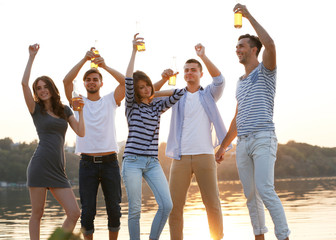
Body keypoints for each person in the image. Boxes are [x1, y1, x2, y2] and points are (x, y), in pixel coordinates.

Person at [215, 4, 291, 240]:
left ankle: (284, 236)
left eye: (242, 45)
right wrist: (224, 145)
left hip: (263, 138)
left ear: (254, 50)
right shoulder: (240, 81)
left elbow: (271, 45)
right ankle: (259, 237)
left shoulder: (266, 70)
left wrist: (247, 16)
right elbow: (238, 117)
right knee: (251, 196)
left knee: (266, 191)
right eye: (236, 46)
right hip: (243, 144)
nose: (237, 49)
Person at [157, 43, 229, 240]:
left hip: (205, 155)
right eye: (186, 70)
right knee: (174, 206)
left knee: (212, 203)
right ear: (183, 74)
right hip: (179, 157)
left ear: (200, 74)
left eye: (193, 70)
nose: (189, 73)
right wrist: (163, 79)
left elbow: (220, 80)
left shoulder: (209, 94)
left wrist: (203, 56)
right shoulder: (177, 95)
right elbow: (148, 96)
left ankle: (217, 237)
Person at [122, 33, 185, 240]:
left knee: (167, 205)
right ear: (135, 91)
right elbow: (128, 79)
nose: (145, 88)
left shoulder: (157, 106)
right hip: (132, 161)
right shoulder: (132, 106)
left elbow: (178, 93)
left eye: (147, 85)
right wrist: (132, 50)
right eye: (141, 87)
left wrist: (153, 93)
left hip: (152, 162)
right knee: (135, 209)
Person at [21, 44, 85, 240]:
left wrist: (79, 111)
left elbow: (81, 132)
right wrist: (31, 57)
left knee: (74, 213)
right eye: (38, 88)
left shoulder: (64, 110)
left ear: (51, 88)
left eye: (45, 86)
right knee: (37, 214)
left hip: (58, 169)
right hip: (39, 166)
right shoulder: (36, 110)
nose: (42, 90)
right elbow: (24, 84)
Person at [63, 47, 125, 240]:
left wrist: (104, 65)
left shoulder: (110, 100)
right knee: (88, 211)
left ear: (101, 82)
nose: (91, 82)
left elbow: (125, 83)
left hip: (110, 163)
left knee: (114, 209)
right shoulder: (78, 101)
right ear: (84, 83)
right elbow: (66, 81)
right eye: (88, 80)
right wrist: (84, 59)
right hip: (87, 164)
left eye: (95, 79)